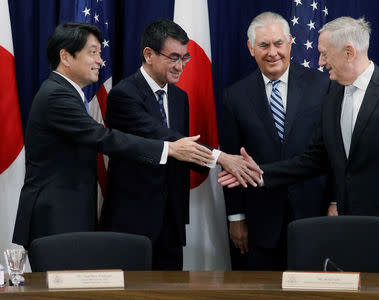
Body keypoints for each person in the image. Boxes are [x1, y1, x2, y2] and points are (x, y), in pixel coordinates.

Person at [219, 16, 379, 274]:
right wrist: (261, 175)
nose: (320, 62)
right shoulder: (334, 96)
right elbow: (316, 158)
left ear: (348, 52)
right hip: (350, 231)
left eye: (324, 54)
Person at [12, 22, 216, 250]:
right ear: (66, 57)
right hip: (56, 217)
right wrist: (169, 149)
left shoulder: (66, 92)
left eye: (100, 53)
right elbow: (103, 137)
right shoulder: (56, 95)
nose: (100, 60)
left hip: (69, 213)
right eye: (93, 53)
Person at [100, 19, 261, 270]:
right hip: (131, 221)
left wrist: (226, 169)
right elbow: (163, 137)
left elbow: (183, 152)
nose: (180, 66)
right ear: (149, 54)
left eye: (185, 58)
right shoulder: (124, 94)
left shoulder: (179, 97)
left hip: (171, 222)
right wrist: (221, 158)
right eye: (174, 57)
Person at [221, 12, 332, 270]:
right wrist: (236, 216)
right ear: (251, 49)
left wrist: (335, 203)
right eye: (263, 45)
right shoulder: (234, 96)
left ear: (291, 42)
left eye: (278, 43)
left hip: (313, 212)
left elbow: (333, 152)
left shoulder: (322, 85)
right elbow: (230, 162)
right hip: (261, 219)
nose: (273, 52)